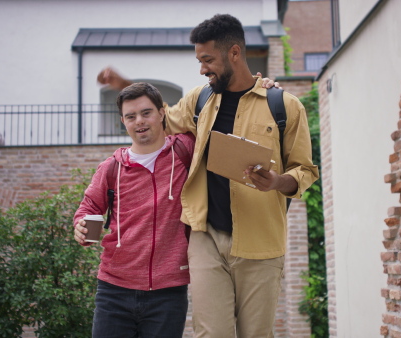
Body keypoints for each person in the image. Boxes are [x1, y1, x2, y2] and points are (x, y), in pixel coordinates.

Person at [98, 14, 319, 338]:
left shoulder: (284, 105)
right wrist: (122, 85)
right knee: (210, 334)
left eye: (207, 59)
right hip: (205, 239)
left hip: (260, 242)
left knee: (255, 333)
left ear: (234, 53)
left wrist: (276, 182)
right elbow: (162, 117)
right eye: (199, 60)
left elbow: (306, 170)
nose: (202, 68)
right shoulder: (200, 99)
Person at [72, 82, 195, 337]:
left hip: (168, 293)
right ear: (123, 122)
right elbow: (88, 208)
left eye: (146, 113)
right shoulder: (110, 168)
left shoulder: (185, 151)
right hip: (113, 290)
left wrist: (257, 87)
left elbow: (218, 116)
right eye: (131, 116)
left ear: (162, 113)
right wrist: (81, 226)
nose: (139, 121)